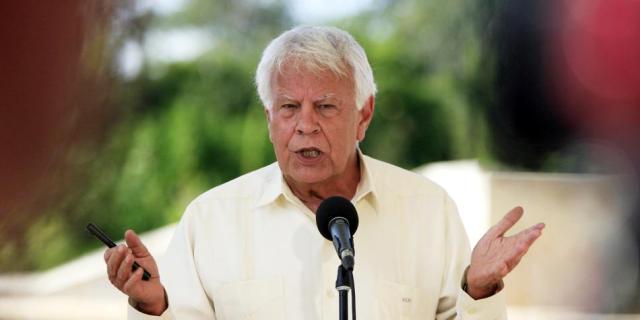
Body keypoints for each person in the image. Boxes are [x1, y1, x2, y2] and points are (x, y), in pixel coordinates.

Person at [103, 26, 545, 319]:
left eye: (326, 107)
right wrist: (153, 308)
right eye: (289, 108)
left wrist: (478, 291)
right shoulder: (212, 218)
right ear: (268, 117)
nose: (305, 125)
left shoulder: (429, 210)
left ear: (364, 115)